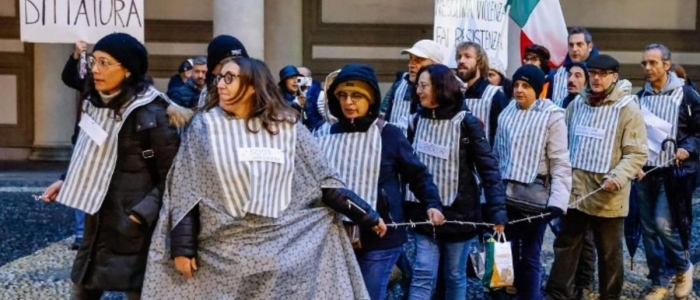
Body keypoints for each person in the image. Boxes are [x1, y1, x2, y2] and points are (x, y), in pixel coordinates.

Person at [140, 57, 387, 300]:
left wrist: (368, 215)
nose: (220, 85)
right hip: (221, 255)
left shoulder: (289, 127)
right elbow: (186, 191)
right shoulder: (204, 128)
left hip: (283, 252)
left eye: (229, 78)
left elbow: (325, 183)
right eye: (219, 78)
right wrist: (182, 249)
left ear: (252, 85)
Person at [40, 32, 191, 300]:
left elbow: (175, 177)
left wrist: (139, 216)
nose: (95, 70)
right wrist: (67, 180)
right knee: (84, 291)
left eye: (105, 63)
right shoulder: (96, 103)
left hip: (135, 230)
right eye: (95, 61)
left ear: (128, 71)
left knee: (137, 293)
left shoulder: (153, 113)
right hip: (97, 224)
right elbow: (91, 155)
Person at [316, 63, 445, 300]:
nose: (348, 102)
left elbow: (417, 175)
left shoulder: (390, 134)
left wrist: (432, 203)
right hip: (335, 234)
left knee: (368, 294)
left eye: (357, 95)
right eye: (342, 95)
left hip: (382, 236)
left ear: (371, 99)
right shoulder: (322, 134)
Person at [546, 54, 648, 300]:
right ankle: (558, 294)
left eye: (602, 74)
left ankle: (609, 296)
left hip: (608, 195)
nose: (596, 79)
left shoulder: (628, 109)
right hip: (577, 190)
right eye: (592, 74)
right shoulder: (576, 104)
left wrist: (618, 176)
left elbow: (636, 153)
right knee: (566, 245)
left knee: (609, 253)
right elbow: (564, 143)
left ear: (614, 77)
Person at [405, 64, 507, 300]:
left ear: (440, 88)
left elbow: (488, 168)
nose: (418, 91)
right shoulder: (415, 121)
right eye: (418, 86)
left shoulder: (466, 122)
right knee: (422, 272)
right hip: (423, 211)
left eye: (424, 86)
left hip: (459, 213)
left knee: (454, 275)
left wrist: (497, 212)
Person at [493, 64, 571, 300]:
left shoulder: (552, 115)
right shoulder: (506, 112)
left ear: (538, 90)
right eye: (516, 85)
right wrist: (490, 196)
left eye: (526, 86)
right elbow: (497, 157)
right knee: (504, 255)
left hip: (534, 198)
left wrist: (558, 201)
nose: (519, 90)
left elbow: (560, 161)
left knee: (530, 256)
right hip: (506, 196)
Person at [635, 43, 700, 300]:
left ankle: (683, 267)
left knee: (664, 224)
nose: (648, 68)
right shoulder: (640, 98)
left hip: (673, 172)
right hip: (645, 172)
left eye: (653, 63)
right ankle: (658, 281)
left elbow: (698, 131)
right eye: (644, 63)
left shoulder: (687, 95)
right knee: (648, 230)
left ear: (666, 64)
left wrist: (687, 148)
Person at [557, 61, 598, 300]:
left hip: (588, 179)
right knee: (568, 235)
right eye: (569, 75)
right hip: (566, 177)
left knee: (588, 236)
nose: (572, 79)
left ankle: (585, 284)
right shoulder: (562, 104)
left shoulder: (589, 105)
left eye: (578, 75)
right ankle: (568, 282)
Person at [380, 39, 445, 135]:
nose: (411, 64)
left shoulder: (447, 92)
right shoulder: (399, 84)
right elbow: (383, 116)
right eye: (411, 58)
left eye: (419, 60)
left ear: (436, 65)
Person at [59, 40, 89, 250]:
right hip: (82, 139)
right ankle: (81, 233)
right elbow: (68, 77)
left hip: (108, 143)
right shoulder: (89, 82)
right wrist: (77, 55)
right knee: (79, 185)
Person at [455, 41, 509, 144]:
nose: (461, 60)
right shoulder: (457, 95)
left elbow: (503, 138)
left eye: (467, 56)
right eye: (459, 57)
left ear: (479, 63)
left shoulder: (495, 96)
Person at [548, 27, 600, 106]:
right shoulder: (557, 74)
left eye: (579, 44)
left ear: (590, 47)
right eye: (571, 45)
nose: (574, 49)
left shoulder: (603, 72)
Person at [196, 35, 249, 108]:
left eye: (240, 62)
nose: (234, 66)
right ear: (213, 69)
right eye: (226, 63)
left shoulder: (256, 89)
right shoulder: (207, 94)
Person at [297, 66, 326, 131]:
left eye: (301, 76)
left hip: (315, 131)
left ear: (309, 79)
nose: (298, 78)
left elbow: (326, 118)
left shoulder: (320, 95)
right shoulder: (294, 93)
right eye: (296, 76)